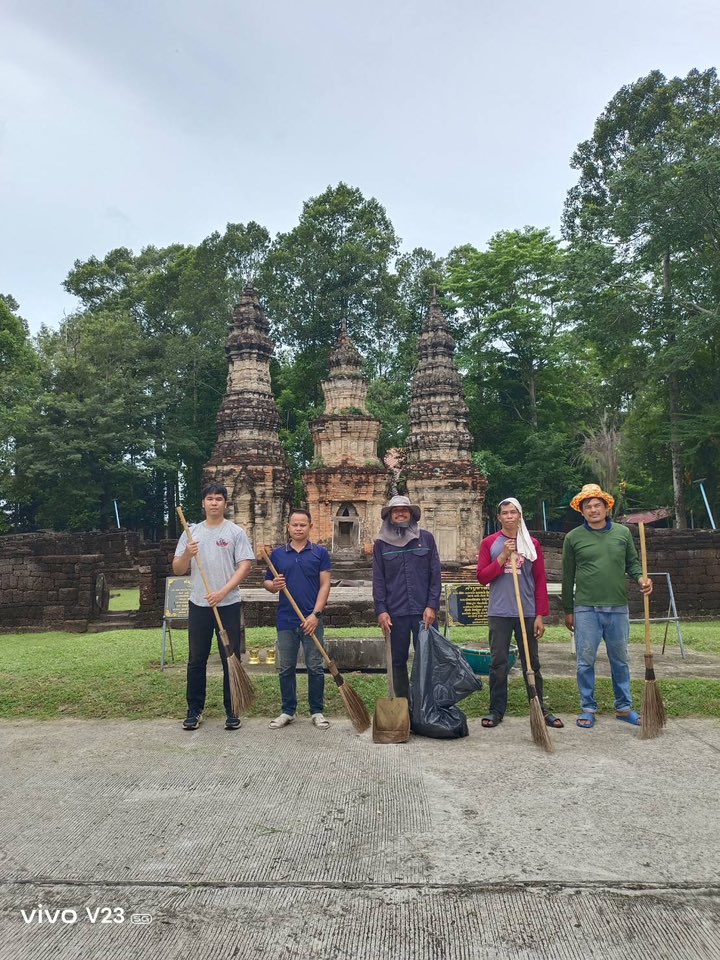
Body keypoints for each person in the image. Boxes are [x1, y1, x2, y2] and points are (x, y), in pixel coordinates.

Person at [562, 483, 653, 729]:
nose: (593, 510)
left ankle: (624, 708)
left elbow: (633, 564)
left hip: (617, 607)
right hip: (586, 608)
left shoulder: (623, 534)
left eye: (597, 505)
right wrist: (568, 610)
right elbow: (567, 576)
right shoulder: (573, 538)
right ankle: (588, 707)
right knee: (585, 661)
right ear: (582, 512)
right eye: (588, 507)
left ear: (606, 507)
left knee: (620, 660)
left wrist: (642, 579)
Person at [173, 483, 254, 731]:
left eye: (219, 499)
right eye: (210, 499)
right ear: (203, 503)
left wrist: (223, 591)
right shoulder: (191, 532)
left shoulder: (235, 532)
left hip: (227, 603)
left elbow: (245, 566)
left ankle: (233, 710)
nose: (214, 503)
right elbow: (178, 569)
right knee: (196, 659)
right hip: (199, 604)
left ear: (226, 504)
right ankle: (194, 710)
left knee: (230, 657)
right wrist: (187, 554)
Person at [477, 497, 562, 729]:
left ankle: (539, 707)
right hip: (500, 611)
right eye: (505, 513)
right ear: (499, 518)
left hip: (526, 611)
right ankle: (496, 710)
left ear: (520, 515)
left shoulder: (531, 544)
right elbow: (482, 577)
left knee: (531, 662)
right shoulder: (490, 543)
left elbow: (540, 580)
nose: (509, 516)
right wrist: (503, 556)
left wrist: (540, 615)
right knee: (499, 663)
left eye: (513, 512)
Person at [263, 508, 332, 729]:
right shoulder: (278, 554)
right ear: (288, 527)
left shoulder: (320, 553)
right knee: (286, 667)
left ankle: (316, 711)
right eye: (295, 524)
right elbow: (268, 584)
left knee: (315, 666)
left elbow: (325, 585)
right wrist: (274, 585)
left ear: (310, 526)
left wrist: (316, 615)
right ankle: (288, 710)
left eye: (303, 524)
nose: (299, 528)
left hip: (312, 619)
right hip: (286, 619)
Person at [372, 494, 442, 700]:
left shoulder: (426, 539)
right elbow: (378, 579)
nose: (400, 513)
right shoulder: (381, 544)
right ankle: (403, 706)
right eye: (396, 510)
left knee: (427, 659)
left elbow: (435, 574)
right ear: (390, 516)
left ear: (411, 514)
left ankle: (426, 706)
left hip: (424, 612)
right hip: (395, 613)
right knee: (397, 661)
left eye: (405, 509)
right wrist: (381, 610)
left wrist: (432, 606)